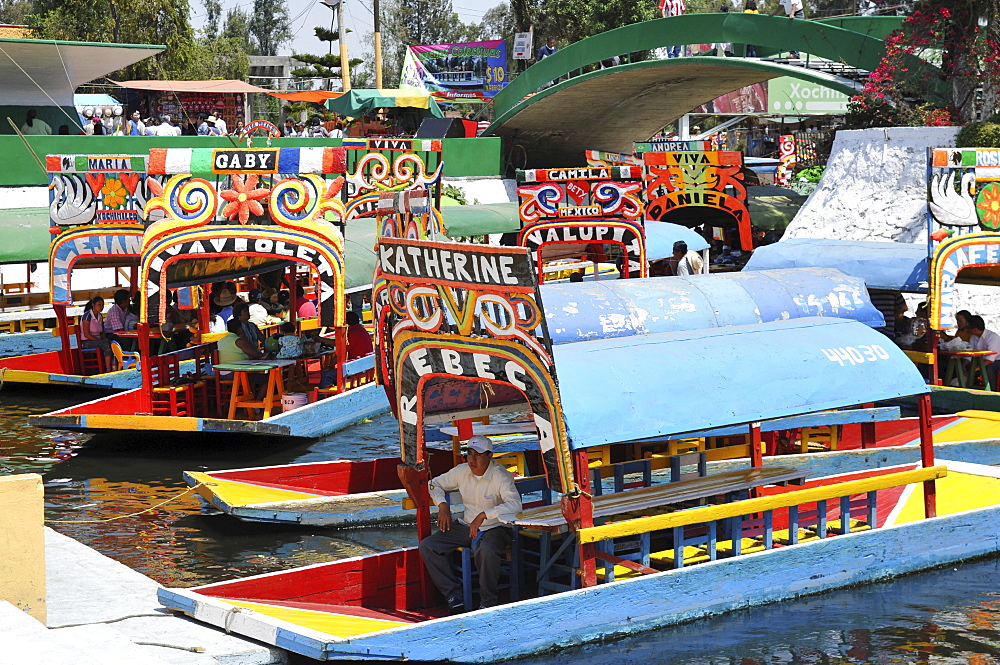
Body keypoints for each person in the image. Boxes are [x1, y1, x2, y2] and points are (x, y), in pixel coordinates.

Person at [418, 435, 522, 611]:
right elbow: (433, 484)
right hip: (467, 526)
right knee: (428, 546)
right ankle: (453, 594)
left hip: (496, 528)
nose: (472, 459)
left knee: (486, 549)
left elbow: (515, 504)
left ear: (489, 456)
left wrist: (484, 515)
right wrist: (442, 506)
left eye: (478, 455)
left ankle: (487, 602)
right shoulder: (462, 471)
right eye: (469, 454)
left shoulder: (501, 476)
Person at [80, 296, 115, 371]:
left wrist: (105, 339)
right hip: (87, 342)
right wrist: (99, 339)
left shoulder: (100, 316)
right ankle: (108, 369)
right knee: (105, 346)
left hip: (98, 340)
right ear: (93, 305)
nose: (101, 307)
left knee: (111, 343)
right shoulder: (87, 316)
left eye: (102, 305)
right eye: (99, 305)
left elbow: (102, 331)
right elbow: (87, 334)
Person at [966, 315, 1000, 389]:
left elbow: (990, 359)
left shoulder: (993, 337)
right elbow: (970, 353)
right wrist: (963, 365)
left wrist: (975, 369)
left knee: (989, 368)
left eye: (968, 328)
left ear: (975, 329)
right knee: (967, 366)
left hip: (996, 361)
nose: (967, 330)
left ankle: (992, 391)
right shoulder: (973, 337)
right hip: (981, 360)